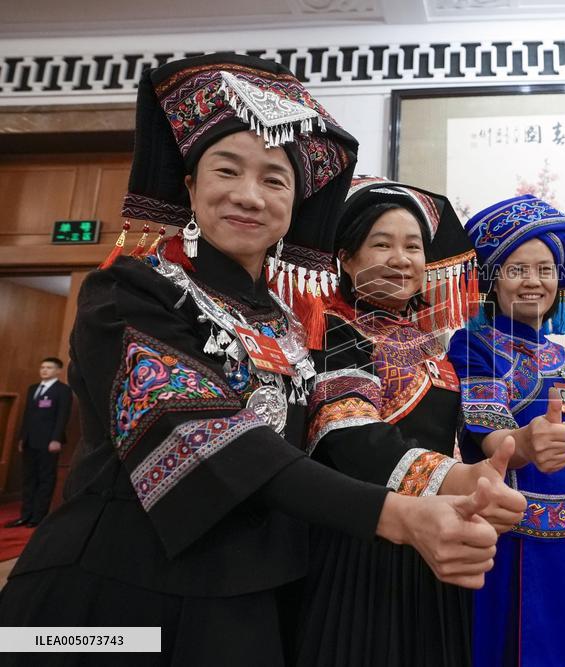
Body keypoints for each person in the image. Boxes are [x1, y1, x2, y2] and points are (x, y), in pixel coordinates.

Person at [0, 54, 501, 666]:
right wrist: (393, 515)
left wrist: (457, 478)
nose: (249, 196)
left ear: (294, 204)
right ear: (190, 184)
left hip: (249, 596)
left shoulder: (293, 323)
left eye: (274, 179)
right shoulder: (133, 290)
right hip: (111, 593)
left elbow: (342, 427)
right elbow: (204, 436)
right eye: (227, 170)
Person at [294, 177, 526, 667]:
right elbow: (350, 437)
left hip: (444, 533)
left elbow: (467, 436)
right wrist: (453, 479)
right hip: (367, 537)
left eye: (413, 246)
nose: (402, 258)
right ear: (347, 259)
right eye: (382, 244)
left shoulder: (438, 343)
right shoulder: (332, 328)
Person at [449, 194, 565, 667]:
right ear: (491, 279)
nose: (534, 282)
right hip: (513, 539)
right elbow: (490, 436)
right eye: (517, 269)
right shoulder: (473, 345)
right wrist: (525, 444)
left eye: (545, 270)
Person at [6, 357, 73, 528]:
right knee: (29, 479)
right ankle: (25, 515)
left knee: (45, 479)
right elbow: (27, 415)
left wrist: (56, 439)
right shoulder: (33, 389)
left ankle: (38, 516)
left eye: (49, 367)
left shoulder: (63, 390)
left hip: (49, 442)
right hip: (30, 441)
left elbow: (62, 417)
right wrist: (23, 437)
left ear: (58, 371)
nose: (44, 370)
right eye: (42, 367)